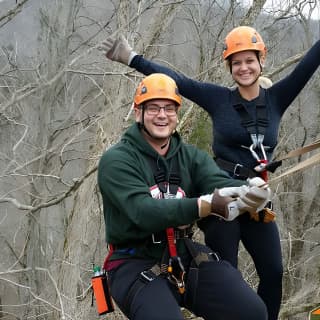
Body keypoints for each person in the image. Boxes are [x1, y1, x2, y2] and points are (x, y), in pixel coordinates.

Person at [100, 26, 320, 320]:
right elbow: (180, 83)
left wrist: (253, 191)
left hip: (253, 195)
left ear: (262, 61)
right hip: (219, 196)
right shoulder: (219, 100)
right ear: (229, 66)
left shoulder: (276, 99)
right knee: (226, 271)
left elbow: (307, 66)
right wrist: (133, 58)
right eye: (236, 62)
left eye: (249, 60)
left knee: (274, 271)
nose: (244, 67)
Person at [97, 73, 271, 319]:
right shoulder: (117, 161)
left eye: (169, 108)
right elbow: (142, 212)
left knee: (251, 312)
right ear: (138, 113)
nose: (162, 115)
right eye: (153, 108)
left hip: (185, 255)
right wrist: (203, 205)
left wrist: (247, 190)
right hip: (133, 261)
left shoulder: (190, 157)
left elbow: (216, 182)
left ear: (176, 115)